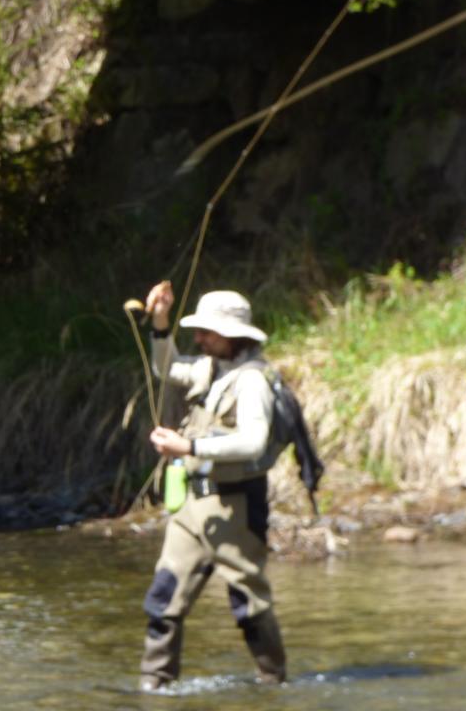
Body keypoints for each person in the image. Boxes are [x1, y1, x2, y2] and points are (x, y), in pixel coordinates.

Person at [137, 280, 287, 691]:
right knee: (163, 599)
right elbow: (164, 367)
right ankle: (154, 688)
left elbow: (254, 441)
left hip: (236, 507)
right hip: (190, 506)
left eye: (206, 332)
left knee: (248, 605)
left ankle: (275, 684)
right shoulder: (209, 367)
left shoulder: (254, 381)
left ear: (231, 335)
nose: (198, 338)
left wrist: (189, 445)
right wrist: (161, 321)